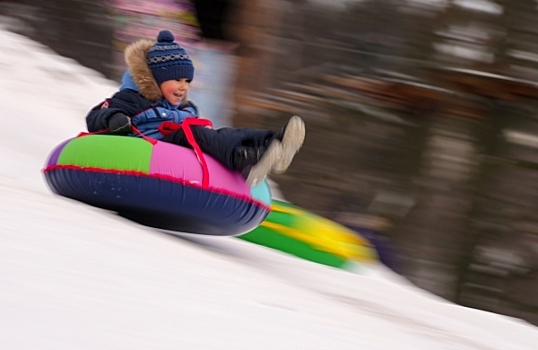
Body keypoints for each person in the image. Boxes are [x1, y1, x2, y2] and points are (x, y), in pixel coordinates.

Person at [85, 29, 305, 186]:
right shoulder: (132, 98)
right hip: (148, 147)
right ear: (156, 79)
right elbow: (96, 115)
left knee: (220, 133)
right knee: (195, 134)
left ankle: (271, 142)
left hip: (178, 149)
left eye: (187, 81)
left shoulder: (185, 107)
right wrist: (113, 118)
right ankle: (245, 161)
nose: (183, 87)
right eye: (177, 80)